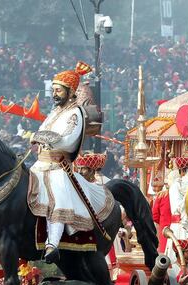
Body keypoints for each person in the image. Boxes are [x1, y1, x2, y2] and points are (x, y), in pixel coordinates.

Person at [29, 61, 115, 263]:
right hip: (40, 164)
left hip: (59, 166)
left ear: (70, 91)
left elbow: (66, 141)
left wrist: (41, 136)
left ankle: (52, 244)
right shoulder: (55, 112)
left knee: (58, 201)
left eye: (59, 90)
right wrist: (38, 136)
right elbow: (41, 131)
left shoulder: (75, 113)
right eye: (54, 90)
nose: (54, 94)